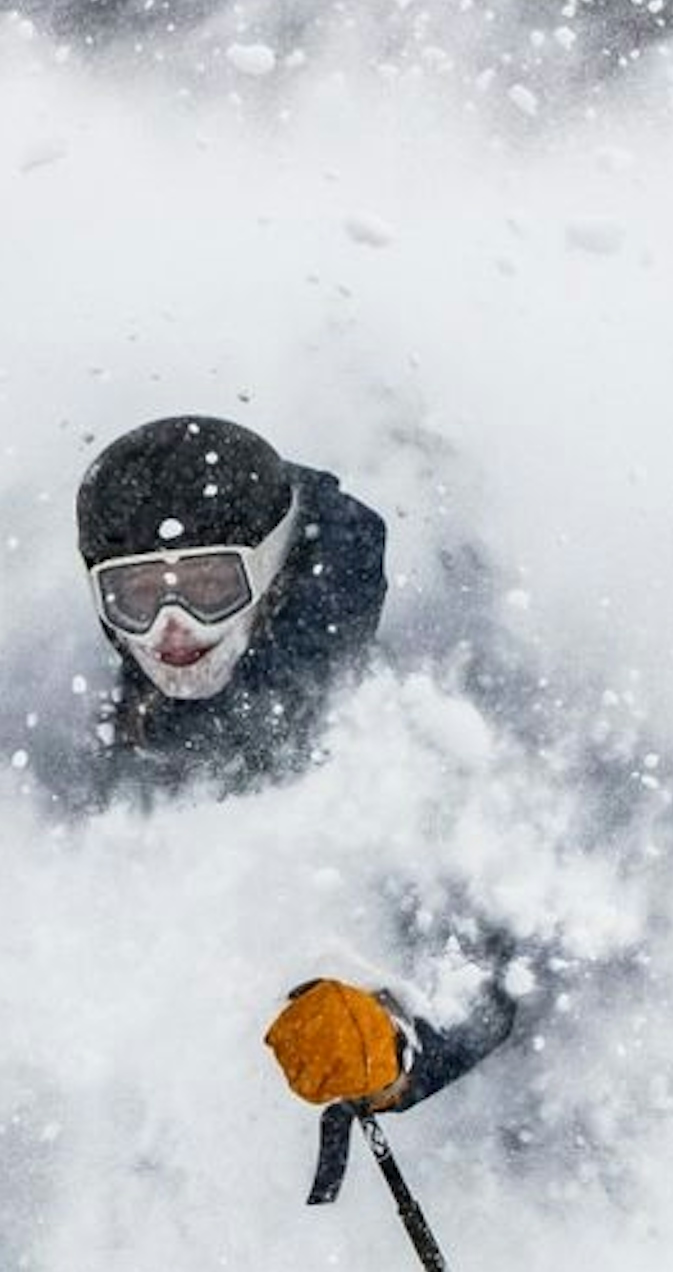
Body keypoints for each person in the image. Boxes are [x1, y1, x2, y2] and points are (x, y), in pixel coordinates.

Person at [71, 413, 518, 1139]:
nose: (172, 630)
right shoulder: (103, 698)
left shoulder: (398, 700)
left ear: (274, 571)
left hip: (470, 1124)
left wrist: (397, 1042)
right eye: (136, 597)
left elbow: (496, 956)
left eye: (210, 585)